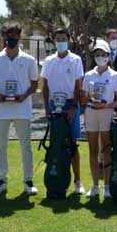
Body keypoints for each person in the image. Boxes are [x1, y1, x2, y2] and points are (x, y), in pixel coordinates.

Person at [0, 22, 39, 196]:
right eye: (8, 35)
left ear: (19, 36)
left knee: (26, 146)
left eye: (15, 35)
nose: (12, 38)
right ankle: (1, 180)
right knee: (1, 146)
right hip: (2, 108)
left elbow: (34, 84)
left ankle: (28, 181)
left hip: (22, 109)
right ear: (4, 36)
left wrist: (23, 97)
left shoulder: (29, 59)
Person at [41, 28, 85, 194]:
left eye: (63, 39)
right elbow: (44, 86)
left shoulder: (75, 60)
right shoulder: (48, 60)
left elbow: (78, 86)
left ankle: (77, 182)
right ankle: (56, 176)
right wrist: (46, 109)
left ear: (69, 41)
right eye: (57, 39)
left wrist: (74, 107)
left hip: (69, 106)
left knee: (72, 144)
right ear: (54, 41)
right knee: (55, 143)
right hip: (54, 106)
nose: (60, 42)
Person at [81, 40, 117, 199]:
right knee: (92, 149)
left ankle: (106, 185)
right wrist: (90, 97)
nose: (100, 57)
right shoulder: (89, 74)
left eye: (103, 55)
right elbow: (83, 99)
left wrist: (105, 106)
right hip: (91, 113)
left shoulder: (114, 75)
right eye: (97, 55)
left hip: (106, 113)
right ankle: (94, 185)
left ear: (108, 57)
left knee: (106, 150)